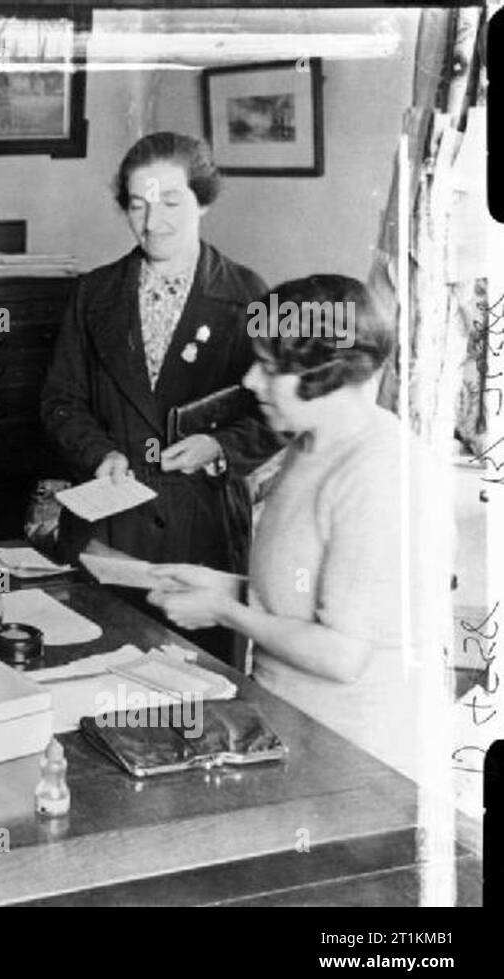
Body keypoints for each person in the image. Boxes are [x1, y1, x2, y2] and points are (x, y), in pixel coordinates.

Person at [147, 275, 448, 782]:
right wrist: (217, 584)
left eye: (267, 367)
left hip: (357, 763)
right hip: (288, 729)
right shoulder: (307, 447)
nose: (248, 382)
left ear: (326, 373)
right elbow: (303, 594)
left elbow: (342, 653)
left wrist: (224, 610)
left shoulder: (384, 474)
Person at [40, 131, 280, 660]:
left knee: (198, 694)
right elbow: (61, 400)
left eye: (171, 202)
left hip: (203, 532)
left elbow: (277, 414)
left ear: (204, 201)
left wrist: (219, 448)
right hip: (109, 527)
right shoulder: (94, 293)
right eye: (138, 205)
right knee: (93, 674)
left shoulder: (247, 294)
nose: (153, 222)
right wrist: (98, 452)